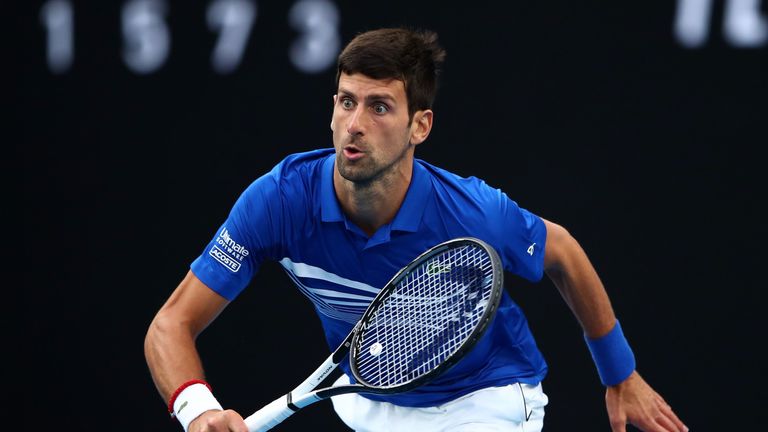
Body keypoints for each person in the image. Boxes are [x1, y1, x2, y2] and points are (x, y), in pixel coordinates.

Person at [144, 27, 688, 432]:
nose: (354, 124)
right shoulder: (281, 199)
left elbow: (563, 253)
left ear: (419, 126)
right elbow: (170, 325)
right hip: (368, 404)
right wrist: (199, 412)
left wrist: (621, 375)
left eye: (379, 107)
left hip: (485, 403)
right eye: (346, 101)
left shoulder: (472, 212)